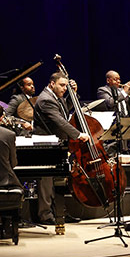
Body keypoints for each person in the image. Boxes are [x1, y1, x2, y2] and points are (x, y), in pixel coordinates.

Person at [33, 71, 89, 224]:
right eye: (62, 85)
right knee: (46, 181)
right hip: (45, 145)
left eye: (66, 85)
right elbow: (60, 121)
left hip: (56, 144)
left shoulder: (56, 97)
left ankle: (58, 213)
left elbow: (65, 110)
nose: (65, 88)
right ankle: (45, 215)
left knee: (57, 180)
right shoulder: (45, 99)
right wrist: (78, 135)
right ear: (52, 84)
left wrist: (73, 94)